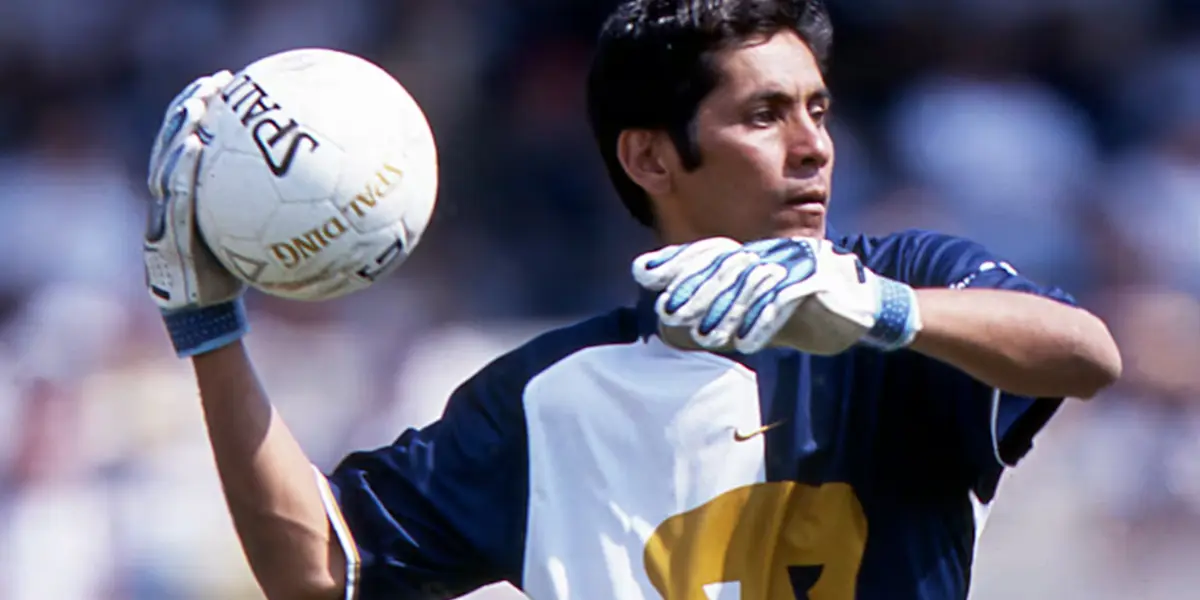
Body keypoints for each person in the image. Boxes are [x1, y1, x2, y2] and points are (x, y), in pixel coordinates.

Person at [141, 1, 1122, 599]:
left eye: (819, 109)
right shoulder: (544, 399)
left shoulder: (896, 286)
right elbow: (319, 573)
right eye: (764, 114)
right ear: (651, 156)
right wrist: (209, 326)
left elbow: (1084, 353)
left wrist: (890, 313)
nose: (814, 145)